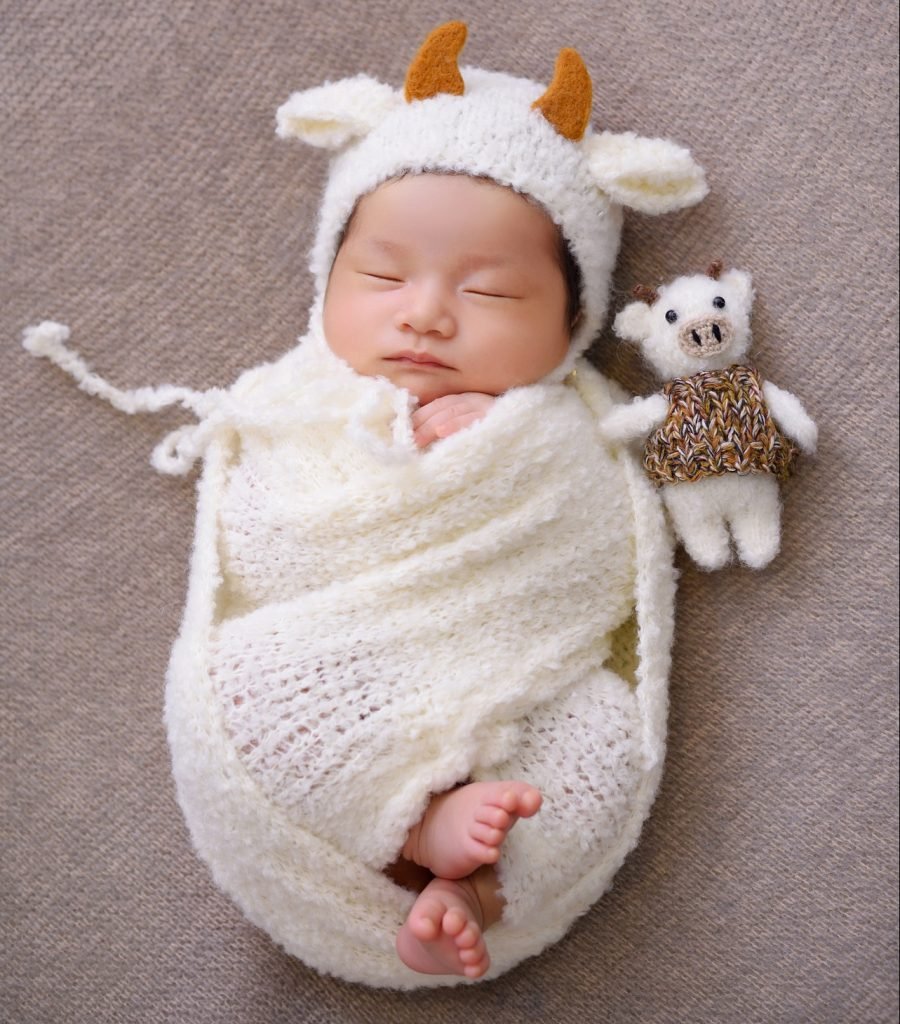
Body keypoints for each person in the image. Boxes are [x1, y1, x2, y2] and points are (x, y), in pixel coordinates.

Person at [319, 170, 581, 977]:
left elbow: (596, 543)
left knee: (599, 752)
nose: (425, 313)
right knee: (246, 696)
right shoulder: (297, 408)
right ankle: (412, 827)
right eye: (384, 277)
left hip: (519, 676)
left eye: (491, 293)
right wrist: (399, 466)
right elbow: (273, 537)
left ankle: (476, 896)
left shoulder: (571, 426)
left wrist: (509, 449)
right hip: (352, 664)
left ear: (574, 324)